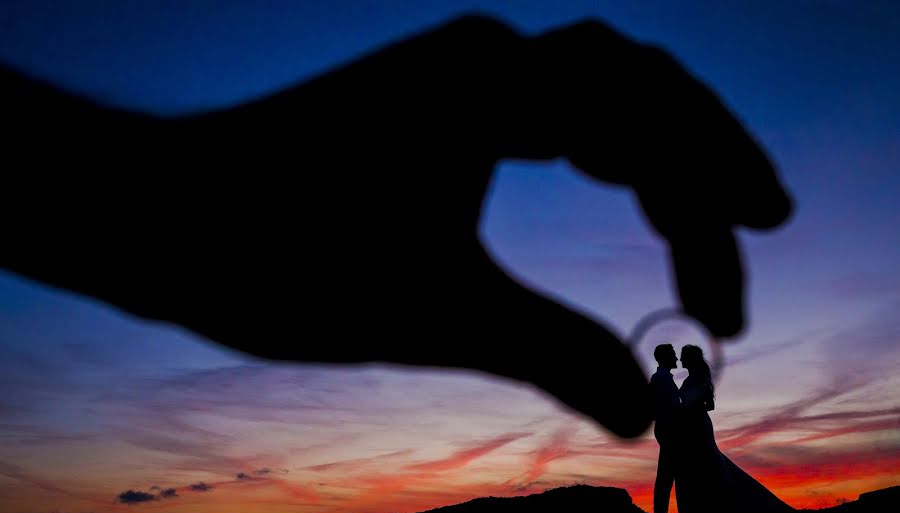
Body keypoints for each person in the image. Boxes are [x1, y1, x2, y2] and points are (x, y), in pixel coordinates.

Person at [0, 15, 792, 439]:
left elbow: (705, 409)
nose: (677, 353)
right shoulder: (672, 377)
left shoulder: (689, 384)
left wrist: (151, 204)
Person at [675, 344, 793, 513]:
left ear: (690, 358)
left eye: (683, 356)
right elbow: (710, 406)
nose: (681, 359)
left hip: (697, 425)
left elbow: (696, 405)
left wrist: (688, 409)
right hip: (699, 423)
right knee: (705, 463)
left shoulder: (697, 379)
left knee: (706, 462)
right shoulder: (699, 378)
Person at [649, 343, 681, 513]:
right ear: (664, 357)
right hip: (668, 431)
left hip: (669, 430)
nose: (676, 358)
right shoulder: (660, 378)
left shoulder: (664, 377)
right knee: (665, 475)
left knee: (668, 474)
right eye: (673, 355)